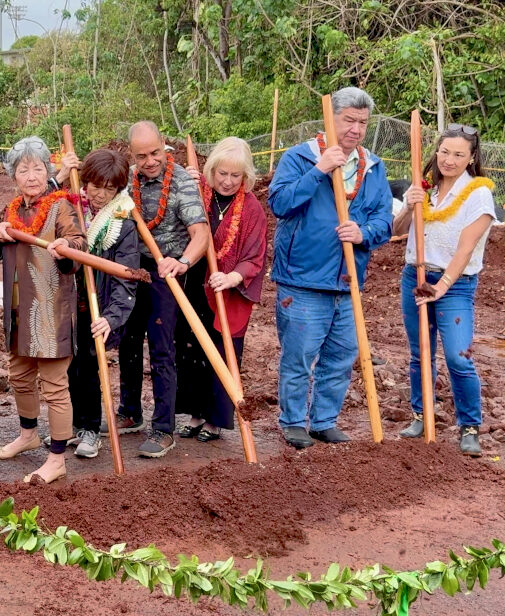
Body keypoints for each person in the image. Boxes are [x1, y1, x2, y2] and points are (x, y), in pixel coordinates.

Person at [268, 86, 393, 449]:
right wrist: (320, 171)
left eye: (363, 123)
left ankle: (324, 421)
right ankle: (293, 421)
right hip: (303, 279)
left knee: (341, 357)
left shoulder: (374, 166)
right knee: (299, 357)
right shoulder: (300, 158)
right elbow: (280, 203)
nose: (355, 129)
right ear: (331, 119)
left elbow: (384, 219)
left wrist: (363, 232)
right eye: (348, 120)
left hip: (347, 278)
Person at [0, 136, 87, 484]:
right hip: (16, 310)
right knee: (20, 377)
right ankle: (28, 436)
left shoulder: (62, 206)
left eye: (37, 168)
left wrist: (66, 245)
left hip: (51, 310)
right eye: (23, 169)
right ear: (13, 175)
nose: (31, 175)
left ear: (47, 171)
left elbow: (81, 245)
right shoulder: (11, 211)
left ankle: (57, 458)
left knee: (55, 386)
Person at [392, 124, 496, 456]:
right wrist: (409, 205)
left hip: (455, 285)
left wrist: (443, 287)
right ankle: (422, 415)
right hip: (415, 276)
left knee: (457, 356)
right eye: (445, 152)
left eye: (459, 155)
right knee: (420, 352)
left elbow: (466, 249)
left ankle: (469, 426)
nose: (449, 160)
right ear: (436, 151)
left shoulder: (478, 193)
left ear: (471, 158)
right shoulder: (424, 188)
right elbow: (396, 232)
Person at [116, 121, 210, 458]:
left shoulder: (182, 181)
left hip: (167, 271)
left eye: (155, 152)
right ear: (132, 154)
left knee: (161, 347)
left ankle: (163, 428)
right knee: (126, 339)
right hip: (132, 268)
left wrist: (182, 262)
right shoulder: (126, 178)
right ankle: (129, 412)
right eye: (142, 156)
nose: (150, 161)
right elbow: (93, 191)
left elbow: (201, 234)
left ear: (163, 146)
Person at [177, 137, 268, 442]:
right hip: (195, 281)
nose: (228, 182)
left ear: (246, 177)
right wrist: (185, 187)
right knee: (191, 349)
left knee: (222, 351)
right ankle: (195, 413)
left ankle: (216, 420)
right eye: (222, 174)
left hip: (227, 290)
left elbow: (255, 255)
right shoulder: (196, 193)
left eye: (236, 176)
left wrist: (232, 278)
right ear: (211, 170)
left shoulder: (252, 208)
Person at [62, 149, 139, 458]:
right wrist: (59, 171)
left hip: (97, 307)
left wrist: (111, 317)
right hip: (65, 304)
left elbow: (126, 278)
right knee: (67, 367)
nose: (101, 194)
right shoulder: (69, 208)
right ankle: (73, 426)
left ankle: (92, 430)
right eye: (96, 185)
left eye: (110, 188)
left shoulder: (123, 224)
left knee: (90, 367)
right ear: (85, 180)